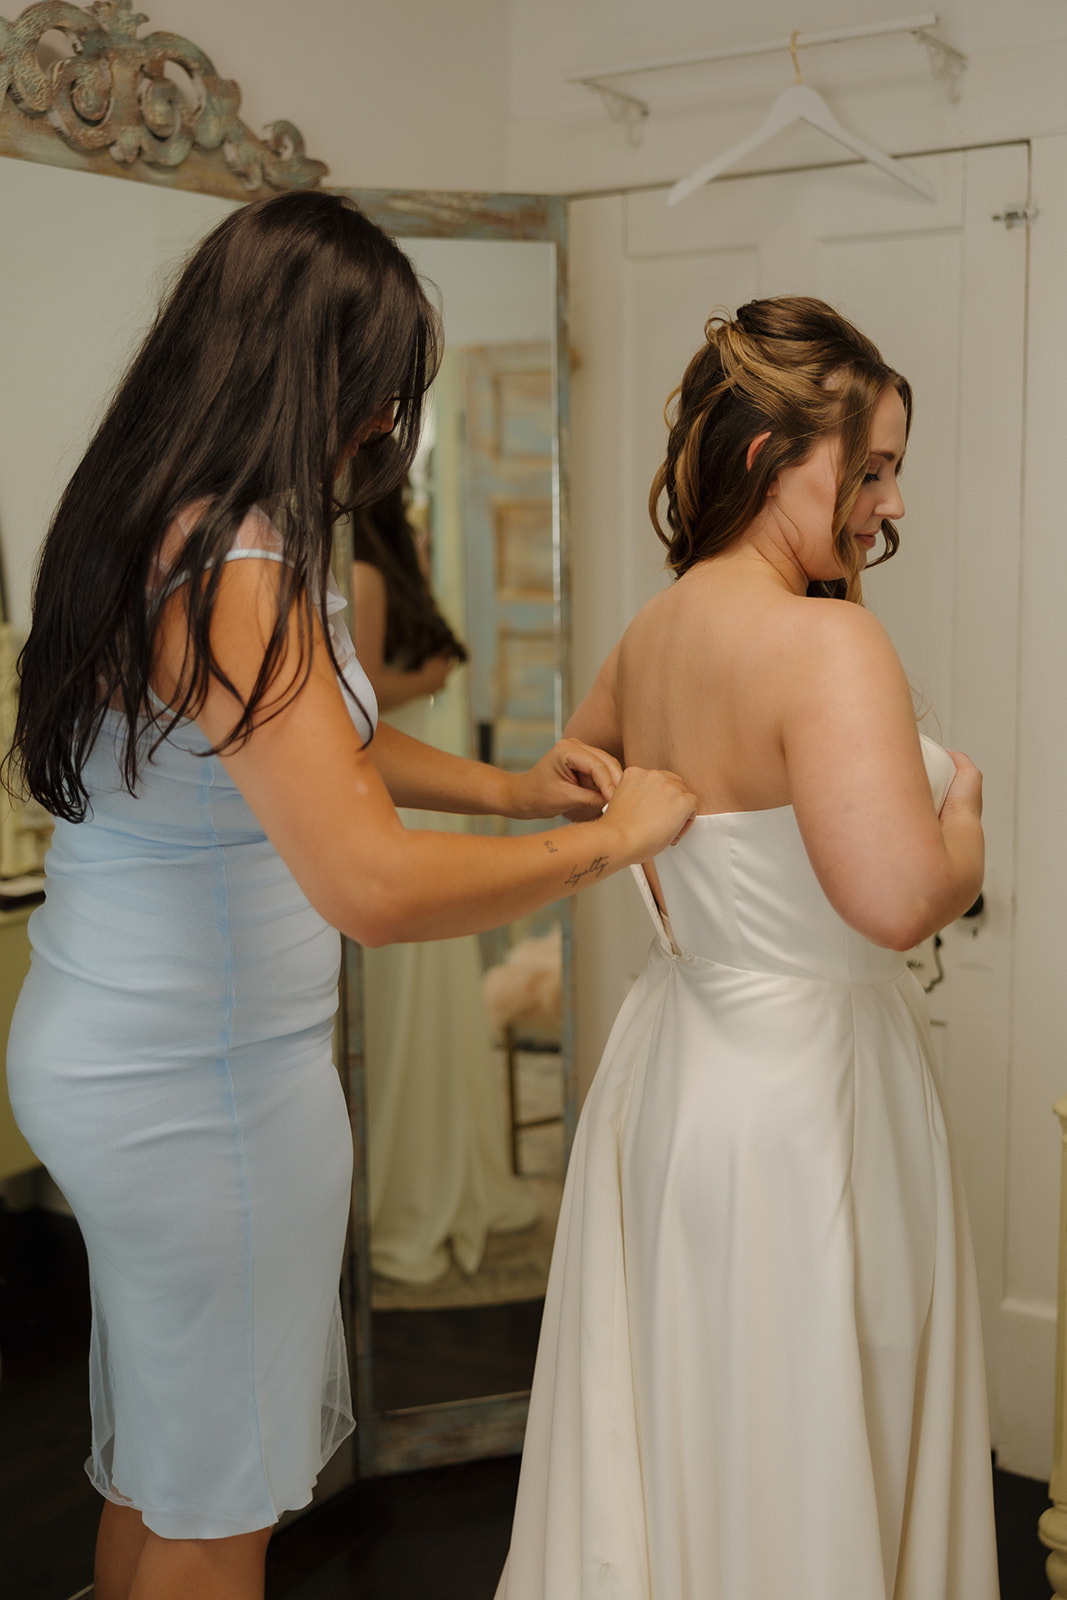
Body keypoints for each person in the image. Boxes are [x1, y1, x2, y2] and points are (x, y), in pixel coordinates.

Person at [3, 191, 696, 1600]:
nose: (384, 422)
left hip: (120, 1054)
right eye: (378, 388)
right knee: (221, 1504)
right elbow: (368, 887)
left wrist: (514, 790)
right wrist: (612, 845)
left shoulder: (169, 517)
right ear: (313, 373)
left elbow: (317, 743)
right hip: (202, 1093)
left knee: (167, 1465)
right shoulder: (241, 561)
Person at [495, 296, 999, 1599]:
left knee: (683, 1416)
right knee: (801, 1421)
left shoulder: (651, 631)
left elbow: (577, 778)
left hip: (671, 1077)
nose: (886, 506)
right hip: (802, 1099)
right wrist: (964, 830)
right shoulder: (824, 641)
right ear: (772, 460)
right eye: (870, 468)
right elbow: (891, 901)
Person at [349, 454, 539, 1284]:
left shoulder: (372, 568)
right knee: (407, 989)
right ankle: (409, 1182)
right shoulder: (364, 570)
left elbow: (352, 699)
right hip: (395, 792)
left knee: (422, 988)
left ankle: (424, 1174)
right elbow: (361, 698)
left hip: (408, 789)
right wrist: (432, 673)